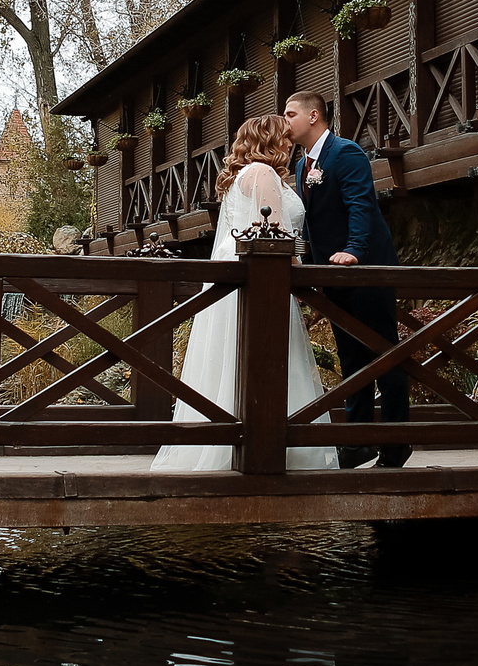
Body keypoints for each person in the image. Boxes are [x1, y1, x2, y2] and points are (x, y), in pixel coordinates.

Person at [151, 114, 343, 472]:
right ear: (268, 140)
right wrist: (305, 280)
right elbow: (276, 234)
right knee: (264, 353)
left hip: (240, 273)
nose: (290, 144)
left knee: (232, 356)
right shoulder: (263, 173)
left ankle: (230, 437)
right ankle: (269, 444)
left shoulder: (246, 174)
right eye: (284, 138)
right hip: (263, 277)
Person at [281, 91, 410, 469]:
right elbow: (314, 223)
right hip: (331, 272)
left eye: (290, 114)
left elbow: (360, 204)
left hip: (367, 270)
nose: (285, 120)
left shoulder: (345, 152)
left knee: (384, 353)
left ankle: (396, 441)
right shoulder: (303, 162)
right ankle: (356, 442)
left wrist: (355, 249)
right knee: (351, 357)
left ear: (314, 116)